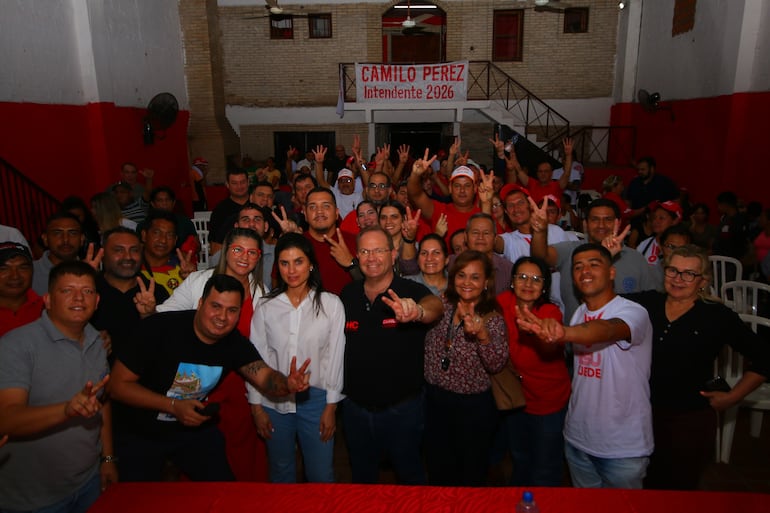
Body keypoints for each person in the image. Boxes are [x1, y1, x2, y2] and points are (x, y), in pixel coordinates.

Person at [108, 274, 311, 482]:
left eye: (232, 310)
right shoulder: (159, 328)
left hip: (190, 430)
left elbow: (265, 377)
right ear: (200, 303)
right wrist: (172, 406)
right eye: (216, 306)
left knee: (222, 489)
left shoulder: (234, 343)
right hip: (140, 430)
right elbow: (117, 386)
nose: (222, 317)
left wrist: (287, 383)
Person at [625, 245, 770, 490]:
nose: (678, 279)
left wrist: (733, 396)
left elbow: (765, 357)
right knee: (642, 487)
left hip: (688, 420)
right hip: (641, 416)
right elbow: (604, 301)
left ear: (703, 280)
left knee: (678, 490)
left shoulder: (716, 316)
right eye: (672, 270)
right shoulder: (647, 303)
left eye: (688, 274)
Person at [517, 243, 653, 489]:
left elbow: (608, 329)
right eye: (578, 267)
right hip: (578, 439)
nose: (585, 271)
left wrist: (563, 332)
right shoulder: (579, 312)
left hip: (622, 447)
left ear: (611, 272)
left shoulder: (634, 312)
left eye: (594, 264)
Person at [0, 261, 114, 513]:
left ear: (97, 302)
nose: (78, 298)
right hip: (32, 498)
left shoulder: (97, 342)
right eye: (67, 290)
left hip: (88, 481)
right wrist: (66, 410)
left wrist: (107, 459)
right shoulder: (16, 346)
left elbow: (101, 403)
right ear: (48, 300)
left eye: (87, 291)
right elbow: (6, 419)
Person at [155, 228, 268, 481]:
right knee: (202, 450)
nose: (243, 257)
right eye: (238, 249)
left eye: (252, 252)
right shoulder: (198, 281)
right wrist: (145, 311)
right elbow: (164, 316)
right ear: (226, 250)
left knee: (243, 448)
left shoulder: (261, 292)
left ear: (259, 257)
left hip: (241, 384)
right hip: (201, 380)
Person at [340, 226, 443, 484]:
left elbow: (435, 307)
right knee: (363, 480)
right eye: (364, 251)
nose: (371, 257)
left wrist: (417, 312)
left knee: (410, 477)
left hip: (402, 410)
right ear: (357, 256)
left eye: (378, 250)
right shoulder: (347, 294)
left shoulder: (411, 290)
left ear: (394, 253)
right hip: (355, 409)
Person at [248, 233, 345, 483]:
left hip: (316, 401)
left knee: (321, 473)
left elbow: (335, 357)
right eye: (284, 263)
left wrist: (331, 407)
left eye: (298, 262)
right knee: (280, 471)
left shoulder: (331, 304)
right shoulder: (266, 306)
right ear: (276, 266)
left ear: (311, 264)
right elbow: (255, 358)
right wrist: (256, 407)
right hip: (274, 401)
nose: (291, 270)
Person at [423, 250, 509, 486]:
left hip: (473, 408)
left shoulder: (492, 317)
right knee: (438, 468)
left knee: (470, 473)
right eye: (461, 275)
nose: (467, 283)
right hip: (435, 400)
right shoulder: (442, 303)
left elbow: (496, 364)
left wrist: (482, 335)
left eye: (475, 277)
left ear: (486, 282)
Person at [497, 256, 569, 487]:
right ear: (512, 281)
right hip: (516, 401)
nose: (528, 284)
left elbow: (549, 348)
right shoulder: (501, 303)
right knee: (520, 459)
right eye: (523, 277)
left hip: (548, 403)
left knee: (545, 468)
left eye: (536, 279)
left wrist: (542, 333)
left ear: (545, 286)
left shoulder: (551, 312)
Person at [530, 197, 657, 321]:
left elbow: (651, 302)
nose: (601, 225)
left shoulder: (635, 259)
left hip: (624, 338)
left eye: (608, 219)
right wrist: (539, 231)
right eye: (595, 219)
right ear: (585, 223)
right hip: (576, 337)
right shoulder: (571, 250)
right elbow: (540, 257)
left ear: (618, 222)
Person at [90, 227, 169, 360]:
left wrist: (150, 316)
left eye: (134, 250)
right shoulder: (88, 291)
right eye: (118, 250)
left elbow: (168, 341)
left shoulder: (156, 292)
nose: (128, 257)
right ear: (102, 254)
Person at [140, 210, 197, 294]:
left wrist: (192, 281)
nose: (163, 240)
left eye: (169, 235)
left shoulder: (183, 269)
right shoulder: (130, 270)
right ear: (144, 235)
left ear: (175, 240)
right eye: (157, 233)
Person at [32, 212, 86, 295]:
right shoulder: (29, 273)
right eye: (57, 233)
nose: (65, 240)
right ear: (45, 239)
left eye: (72, 233)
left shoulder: (90, 272)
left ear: (82, 239)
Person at [0, 242, 44, 337]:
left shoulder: (48, 309)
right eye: (4, 268)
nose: (15, 276)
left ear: (32, 271)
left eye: (22, 268)